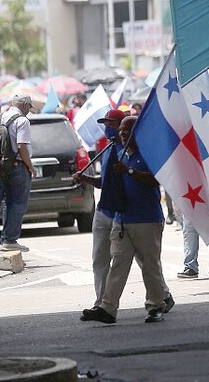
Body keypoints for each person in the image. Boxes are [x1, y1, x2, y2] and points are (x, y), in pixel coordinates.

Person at [80, 116, 173, 325]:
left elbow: (155, 180)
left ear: (137, 132)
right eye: (121, 129)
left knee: (150, 266)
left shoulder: (149, 153)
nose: (122, 133)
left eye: (126, 130)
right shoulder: (119, 153)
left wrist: (129, 171)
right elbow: (108, 182)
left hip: (146, 219)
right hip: (122, 219)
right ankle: (107, 308)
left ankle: (155, 306)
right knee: (118, 264)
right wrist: (85, 178)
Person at [73, 108, 126, 308]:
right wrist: (85, 178)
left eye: (112, 124)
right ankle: (101, 302)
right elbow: (105, 182)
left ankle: (162, 295)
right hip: (104, 210)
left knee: (140, 258)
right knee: (100, 259)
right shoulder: (108, 149)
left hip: (123, 212)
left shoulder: (128, 149)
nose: (108, 128)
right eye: (106, 124)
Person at [0, 95, 37, 252]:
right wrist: (31, 167)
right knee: (19, 203)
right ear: (25, 104)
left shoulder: (0, 118)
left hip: (4, 167)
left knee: (8, 202)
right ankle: (10, 239)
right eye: (29, 107)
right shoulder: (22, 120)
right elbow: (21, 146)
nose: (29, 110)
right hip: (19, 166)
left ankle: (7, 238)